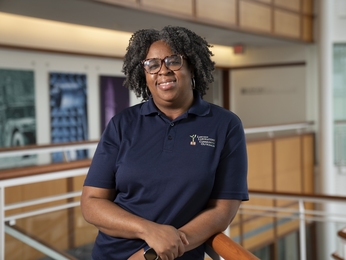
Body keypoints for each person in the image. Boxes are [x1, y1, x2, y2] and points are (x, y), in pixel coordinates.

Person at [80, 25, 248, 260]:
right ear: (144, 73)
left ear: (192, 66)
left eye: (173, 61)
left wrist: (153, 253)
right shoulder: (122, 124)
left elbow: (222, 210)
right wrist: (148, 231)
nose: (163, 71)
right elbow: (92, 202)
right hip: (111, 254)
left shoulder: (225, 125)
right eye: (152, 64)